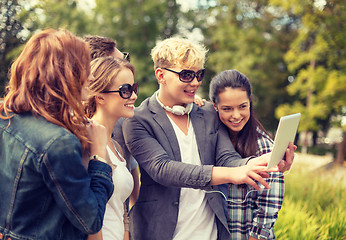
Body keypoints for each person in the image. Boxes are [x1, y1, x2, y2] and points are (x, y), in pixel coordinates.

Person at [122, 37, 295, 240]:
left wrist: (261, 162)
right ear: (161, 75)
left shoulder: (207, 113)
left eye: (199, 74)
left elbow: (227, 158)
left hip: (210, 234)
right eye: (186, 75)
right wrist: (232, 174)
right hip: (158, 232)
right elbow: (163, 169)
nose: (195, 82)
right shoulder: (137, 120)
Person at [0, 29, 113, 240]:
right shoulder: (58, 143)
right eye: (86, 68)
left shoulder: (6, 116)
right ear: (66, 74)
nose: (91, 76)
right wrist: (99, 155)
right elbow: (90, 220)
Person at [209, 69, 288, 240]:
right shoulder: (210, 140)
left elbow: (267, 211)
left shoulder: (264, 147)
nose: (236, 115)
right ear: (214, 106)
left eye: (243, 106)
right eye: (227, 108)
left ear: (250, 103)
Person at [85, 56, 138, 240]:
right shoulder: (85, 142)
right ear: (99, 96)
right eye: (126, 90)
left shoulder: (116, 146)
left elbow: (122, 210)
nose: (134, 96)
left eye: (134, 88)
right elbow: (88, 210)